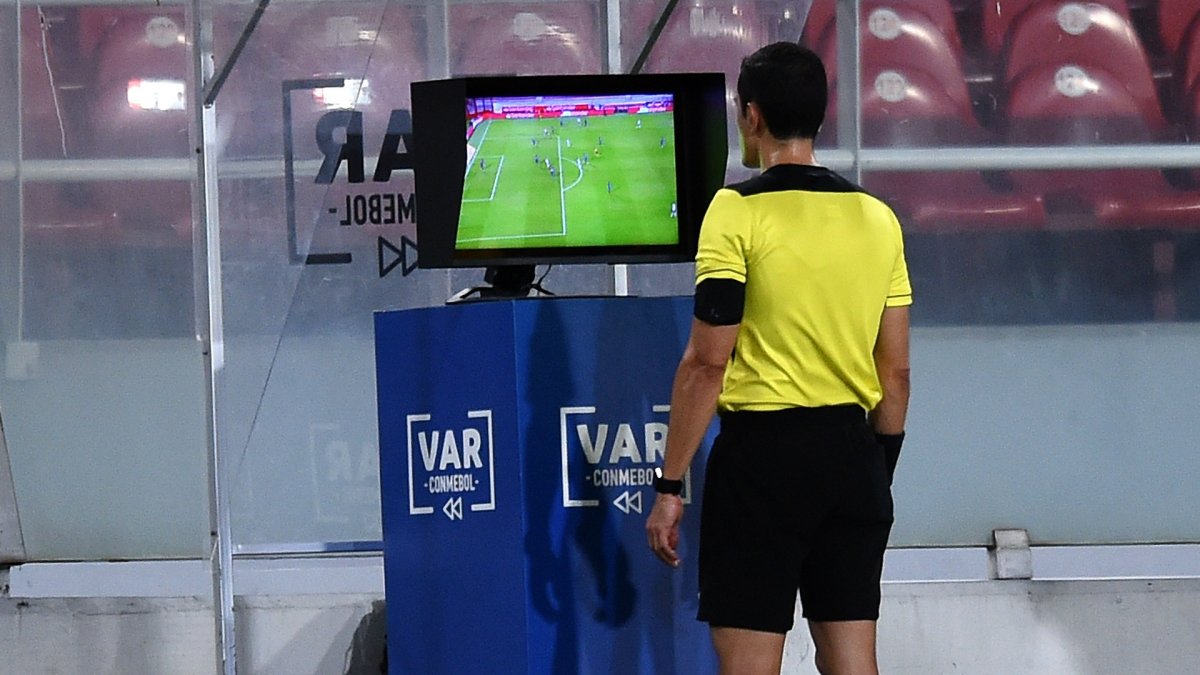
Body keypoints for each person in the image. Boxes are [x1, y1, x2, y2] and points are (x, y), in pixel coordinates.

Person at [645, 42, 911, 675]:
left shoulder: (734, 210)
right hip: (852, 455)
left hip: (762, 461)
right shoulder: (877, 218)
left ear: (751, 116)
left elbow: (708, 362)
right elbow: (894, 372)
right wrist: (875, 469)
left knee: (749, 665)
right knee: (853, 663)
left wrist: (670, 486)